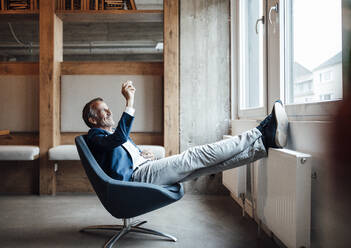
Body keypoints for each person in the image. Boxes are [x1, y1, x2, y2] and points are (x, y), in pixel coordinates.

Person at [82, 81, 288, 186]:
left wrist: (141, 153)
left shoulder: (109, 134)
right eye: (103, 110)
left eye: (108, 108)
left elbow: (122, 148)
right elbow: (118, 139)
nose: (109, 111)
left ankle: (263, 145)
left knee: (209, 166)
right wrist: (130, 102)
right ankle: (260, 130)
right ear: (92, 120)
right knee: (194, 156)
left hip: (145, 168)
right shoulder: (94, 136)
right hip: (135, 179)